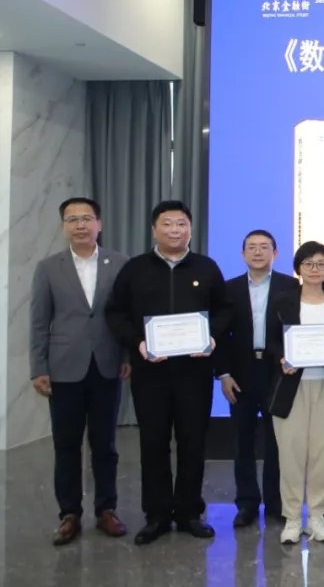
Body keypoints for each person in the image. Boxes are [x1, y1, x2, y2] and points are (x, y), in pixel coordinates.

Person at [104, 200, 230, 545]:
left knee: (193, 442)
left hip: (194, 372)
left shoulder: (206, 267)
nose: (175, 230)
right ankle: (157, 515)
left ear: (190, 228)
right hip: (151, 372)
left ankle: (189, 512)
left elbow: (224, 310)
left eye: (181, 224)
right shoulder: (135, 269)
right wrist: (138, 343)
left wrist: (211, 337)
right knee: (153, 442)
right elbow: (116, 314)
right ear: (154, 229)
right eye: (167, 223)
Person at [30, 197, 129, 545]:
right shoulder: (48, 268)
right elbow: (39, 321)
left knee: (105, 444)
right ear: (63, 227)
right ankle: (69, 513)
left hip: (107, 364)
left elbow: (127, 315)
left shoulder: (119, 263)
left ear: (99, 224)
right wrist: (38, 367)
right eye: (72, 220)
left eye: (87, 218)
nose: (80, 225)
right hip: (63, 368)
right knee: (67, 444)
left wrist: (127, 354)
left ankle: (106, 509)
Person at [266, 241, 324, 544]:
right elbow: (272, 341)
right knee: (290, 456)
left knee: (322, 455)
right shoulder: (282, 301)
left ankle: (317, 516)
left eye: (321, 264)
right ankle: (292, 519)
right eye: (308, 264)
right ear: (298, 268)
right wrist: (282, 358)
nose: (315, 269)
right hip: (290, 389)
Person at [215, 229, 296, 527]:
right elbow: (219, 335)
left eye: (264, 247)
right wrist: (224, 374)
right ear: (242, 254)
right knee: (243, 440)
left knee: (279, 441)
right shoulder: (228, 289)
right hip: (241, 373)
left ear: (276, 253)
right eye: (252, 247)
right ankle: (247, 503)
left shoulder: (291, 286)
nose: (258, 252)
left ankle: (276, 502)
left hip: (278, 371)